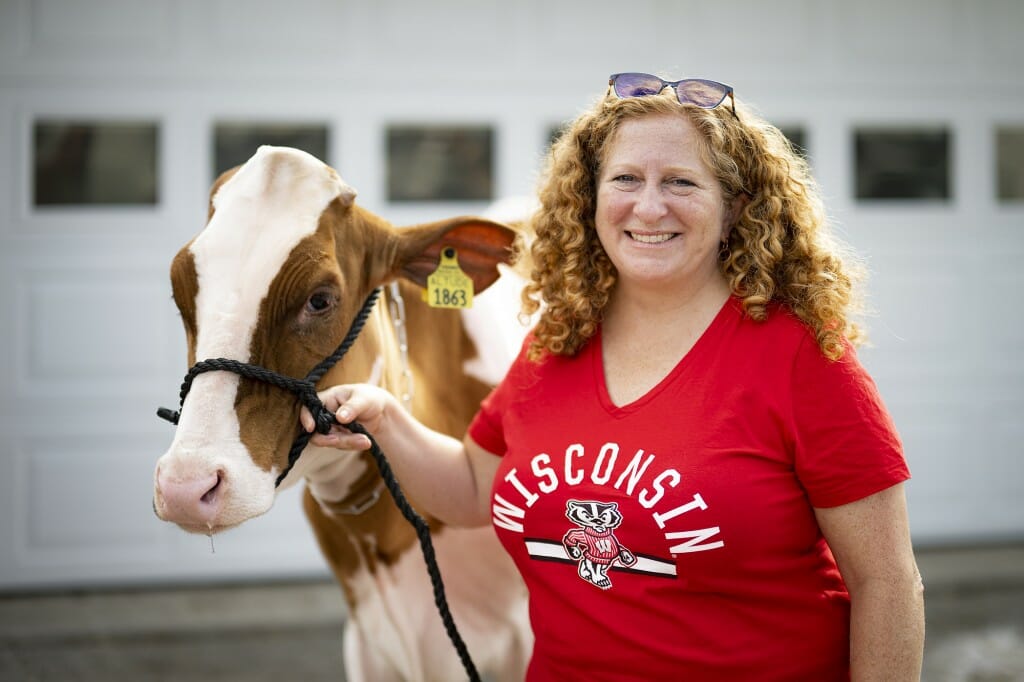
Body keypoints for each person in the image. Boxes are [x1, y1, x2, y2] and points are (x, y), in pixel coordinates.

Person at [301, 72, 925, 680]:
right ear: (591, 199)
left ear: (736, 208)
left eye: (680, 182)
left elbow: (886, 581)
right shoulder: (559, 341)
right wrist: (383, 415)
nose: (649, 206)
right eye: (625, 178)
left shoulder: (800, 358)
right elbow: (469, 489)